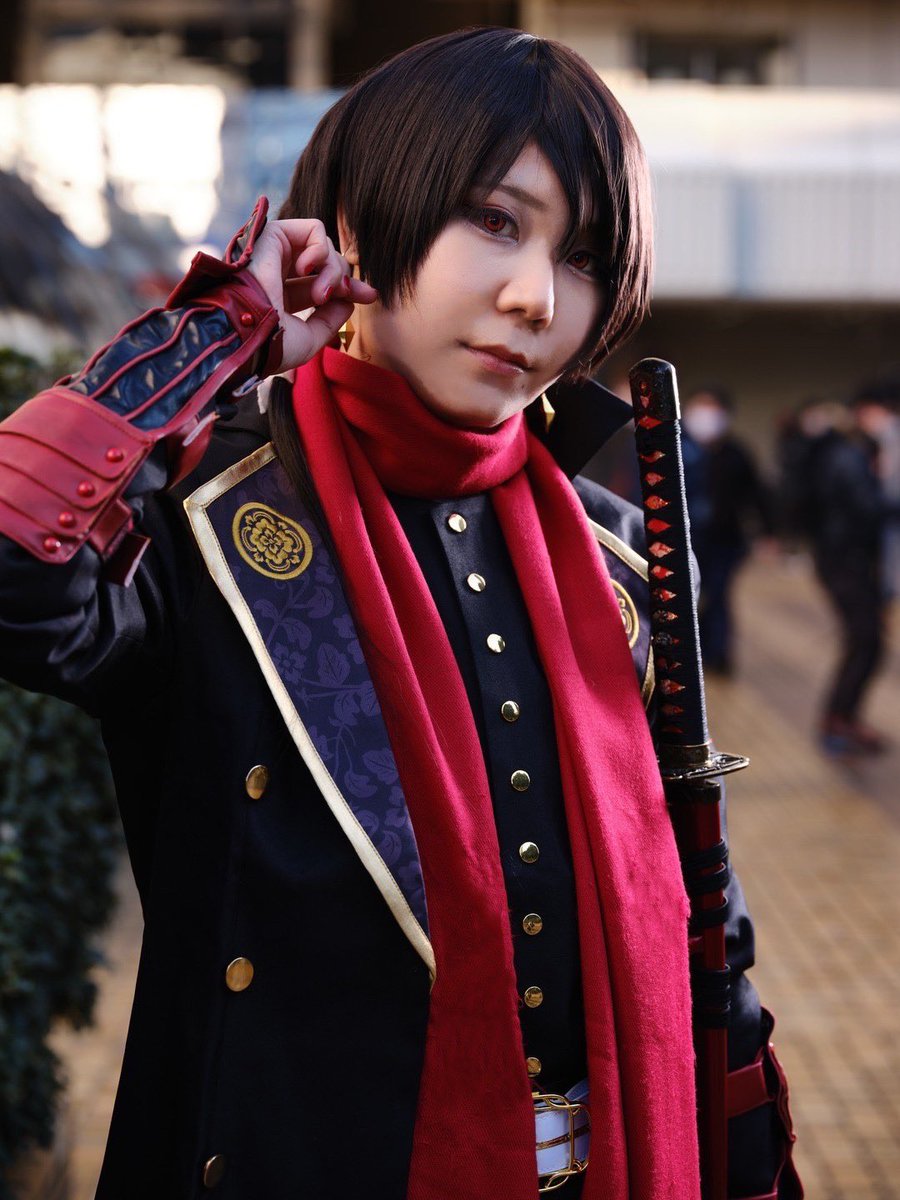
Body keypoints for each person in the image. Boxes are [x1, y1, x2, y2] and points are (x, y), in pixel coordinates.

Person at [0, 29, 800, 1200]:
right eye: (496, 220)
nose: (535, 297)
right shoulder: (213, 519)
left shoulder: (618, 561)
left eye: (582, 256)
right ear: (361, 221)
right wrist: (216, 333)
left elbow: (704, 924)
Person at [781, 391, 893, 755]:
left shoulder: (839, 452)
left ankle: (844, 718)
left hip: (842, 558)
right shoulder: (846, 455)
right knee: (866, 641)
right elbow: (865, 507)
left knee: (864, 641)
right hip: (846, 559)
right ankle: (838, 720)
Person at [681, 385, 775, 675]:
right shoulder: (671, 446)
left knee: (718, 596)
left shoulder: (736, 453)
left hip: (723, 540)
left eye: (713, 409)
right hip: (680, 540)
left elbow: (756, 495)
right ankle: (684, 658)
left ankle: (716, 655)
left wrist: (767, 533)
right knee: (683, 600)